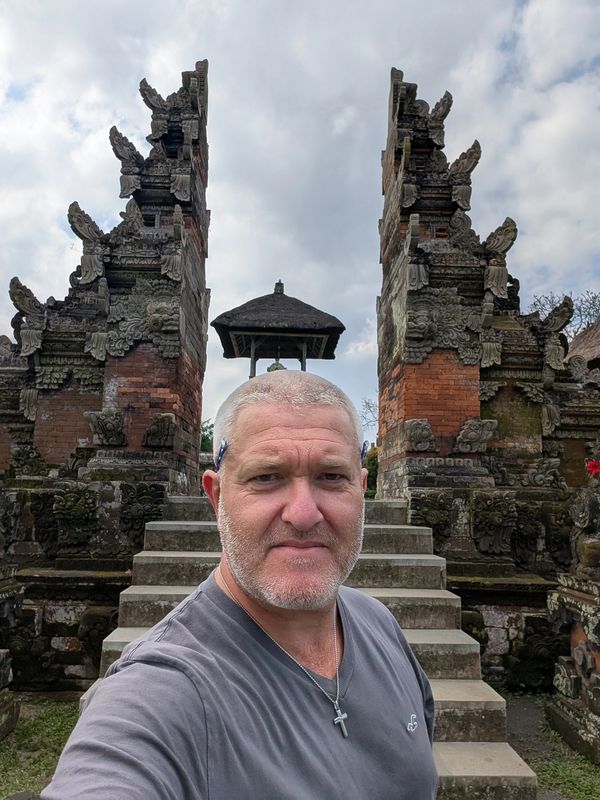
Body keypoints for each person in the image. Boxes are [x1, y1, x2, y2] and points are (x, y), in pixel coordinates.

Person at [42, 371, 438, 799]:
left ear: (361, 490)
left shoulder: (379, 624)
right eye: (266, 477)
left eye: (331, 477)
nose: (303, 514)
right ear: (216, 498)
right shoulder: (161, 693)